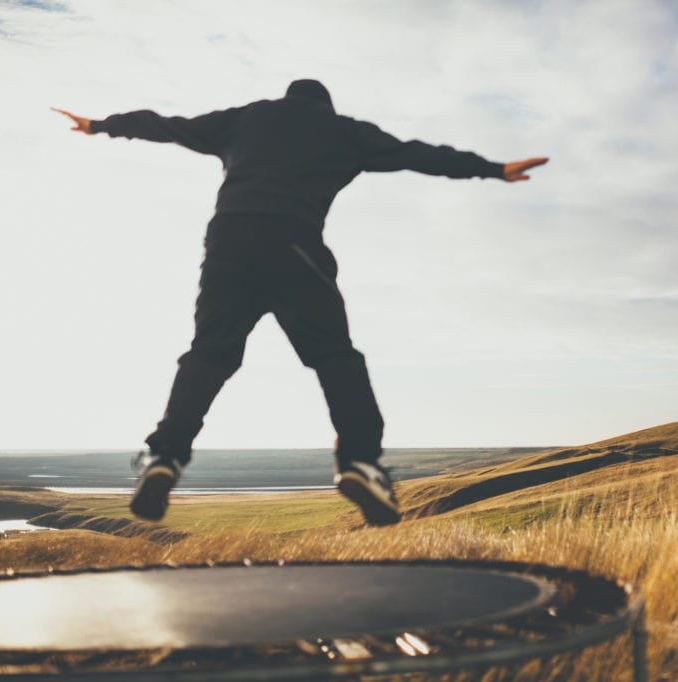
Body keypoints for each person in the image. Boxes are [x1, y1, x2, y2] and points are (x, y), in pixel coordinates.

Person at [53, 79, 548, 527]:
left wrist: (101, 126)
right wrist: (493, 170)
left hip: (229, 242)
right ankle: (359, 462)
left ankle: (165, 457)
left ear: (287, 98)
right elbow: (416, 154)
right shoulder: (343, 131)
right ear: (325, 105)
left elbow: (168, 126)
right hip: (294, 244)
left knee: (209, 354)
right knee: (335, 357)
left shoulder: (246, 118)